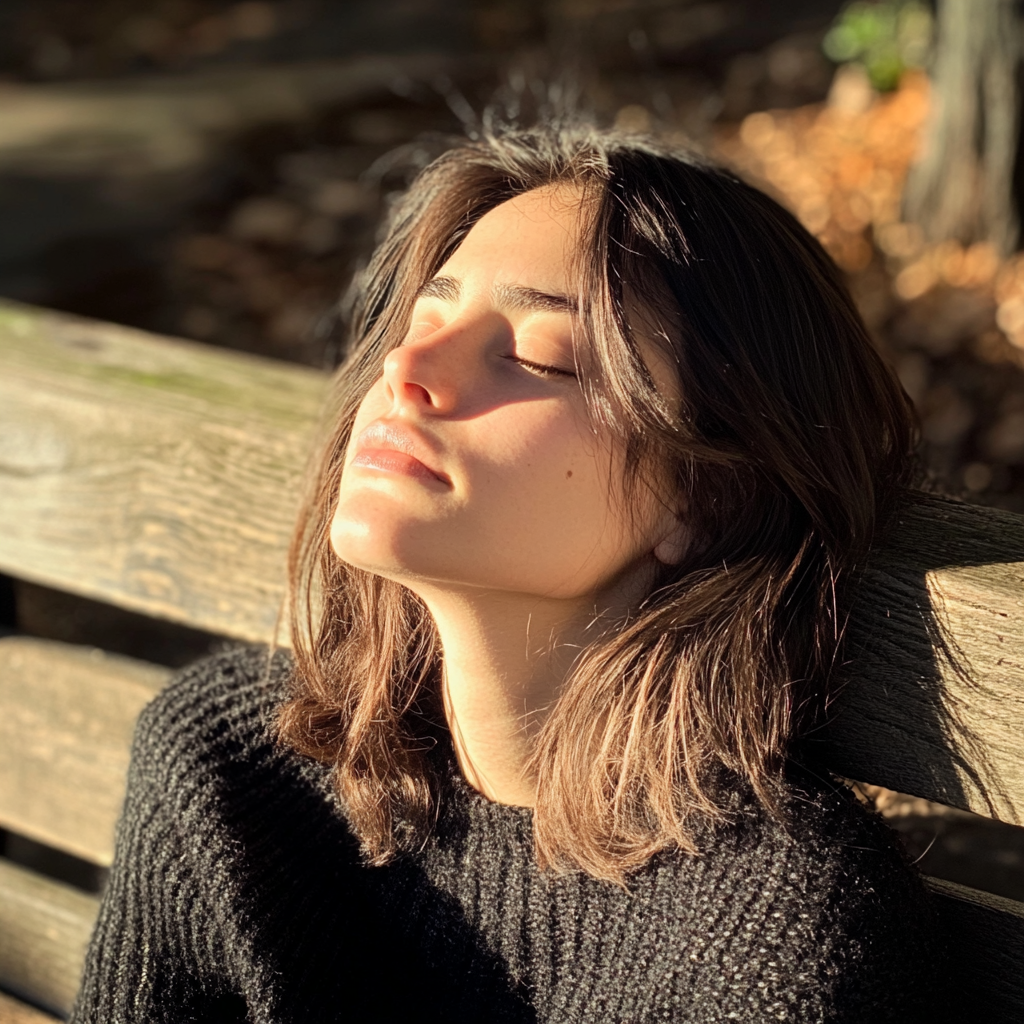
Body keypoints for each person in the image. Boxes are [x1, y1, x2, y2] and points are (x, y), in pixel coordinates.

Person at [71, 127, 942, 1023]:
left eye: (536, 355)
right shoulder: (232, 771)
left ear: (705, 500)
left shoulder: (773, 933)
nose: (406, 371)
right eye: (424, 322)